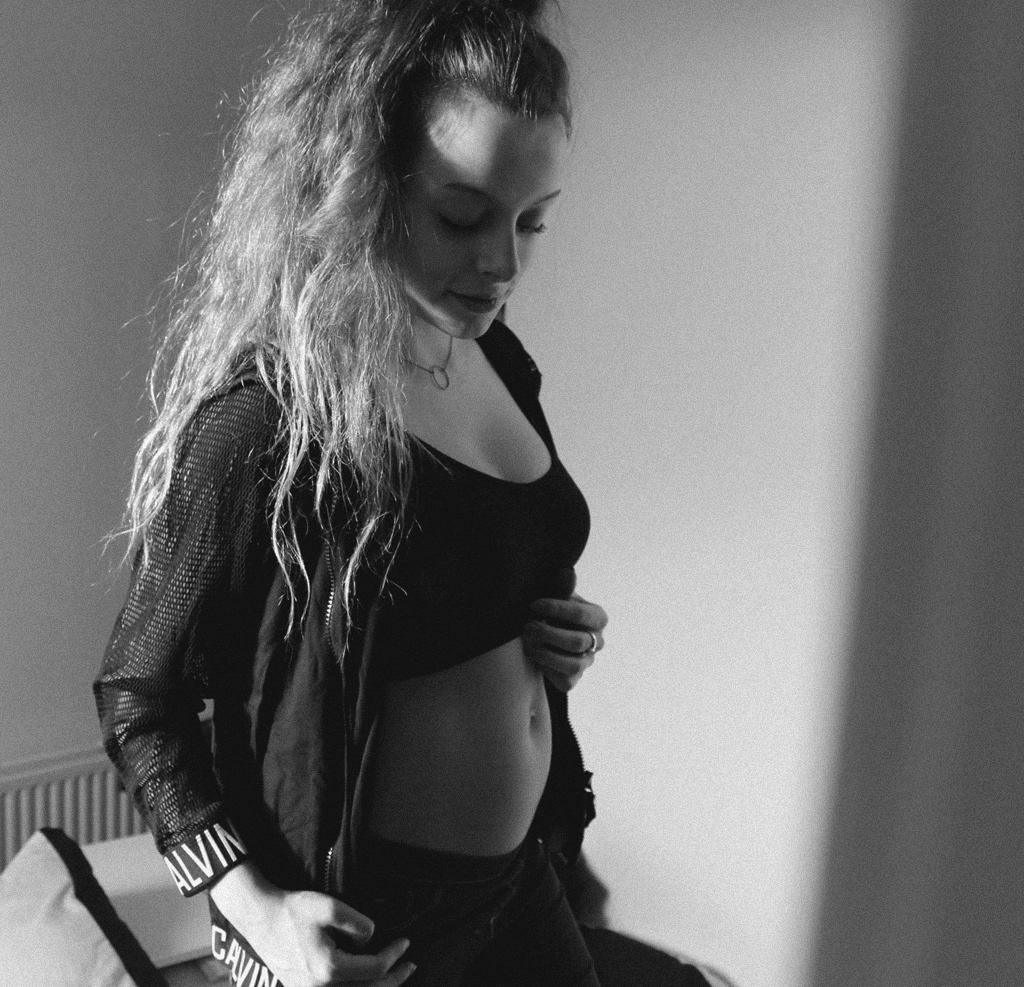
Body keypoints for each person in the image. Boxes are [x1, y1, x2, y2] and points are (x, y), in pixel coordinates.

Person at [95, 1, 613, 984]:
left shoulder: (497, 360)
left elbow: (470, 584)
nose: (503, 263)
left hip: (520, 883)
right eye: (463, 216)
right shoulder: (269, 417)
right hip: (375, 925)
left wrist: (555, 642)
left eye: (533, 220)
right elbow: (137, 698)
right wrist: (257, 912)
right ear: (366, 185)